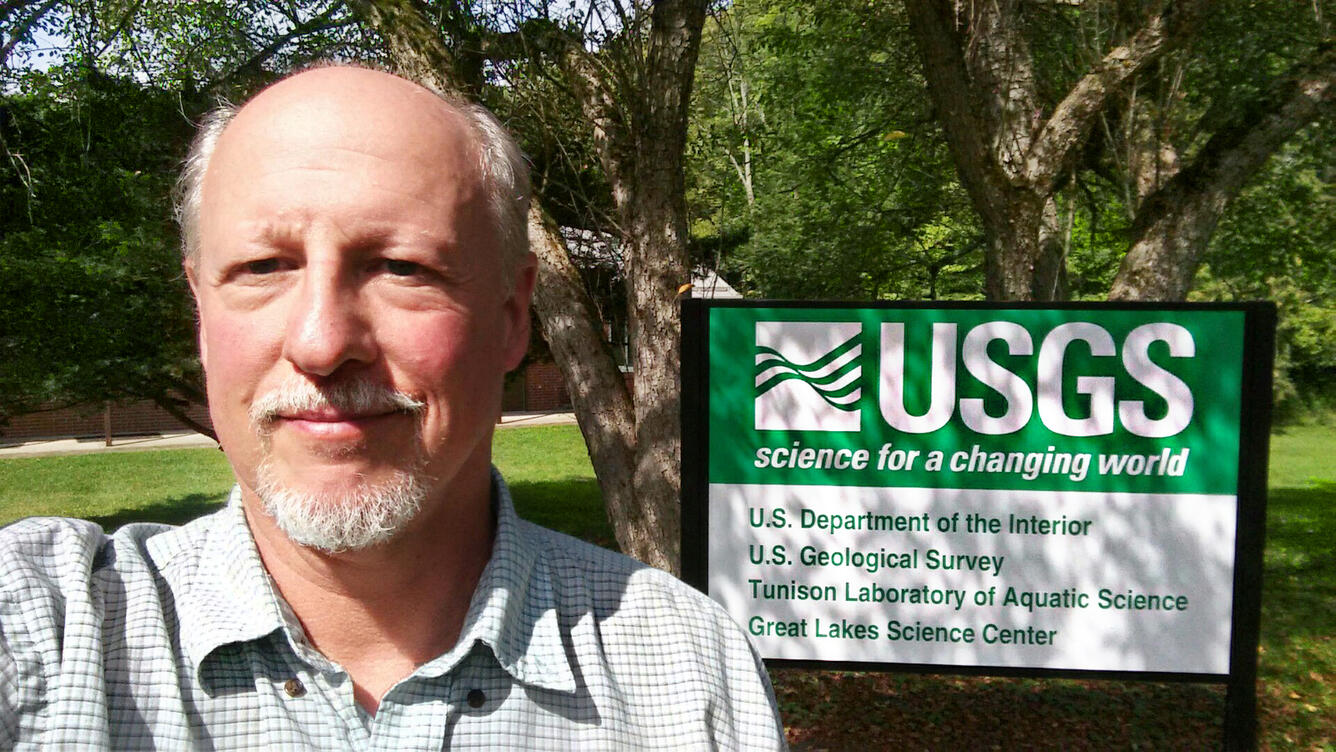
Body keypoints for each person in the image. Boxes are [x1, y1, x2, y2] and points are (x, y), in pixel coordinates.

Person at [0, 65, 785, 750]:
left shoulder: (688, 668)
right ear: (202, 313)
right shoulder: (51, 633)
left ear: (512, 316)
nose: (321, 342)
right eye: (263, 266)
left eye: (401, 267)